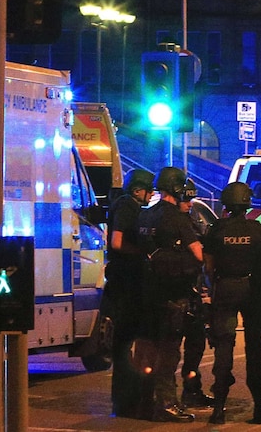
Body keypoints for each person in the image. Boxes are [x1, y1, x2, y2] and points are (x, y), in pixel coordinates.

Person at [205, 182, 261, 425]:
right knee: (254, 346)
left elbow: (208, 265)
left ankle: (218, 408)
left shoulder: (217, 229)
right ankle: (259, 407)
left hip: (225, 288)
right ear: (247, 202)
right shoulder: (257, 230)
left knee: (223, 346)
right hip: (253, 289)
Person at [134, 167, 202, 423]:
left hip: (147, 293)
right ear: (176, 188)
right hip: (173, 295)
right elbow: (197, 253)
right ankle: (166, 404)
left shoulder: (146, 215)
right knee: (169, 352)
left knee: (147, 350)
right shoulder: (177, 218)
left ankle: (143, 403)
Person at [102, 168, 154, 418]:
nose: (151, 194)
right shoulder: (126, 206)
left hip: (125, 283)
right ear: (137, 190)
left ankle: (127, 400)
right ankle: (124, 402)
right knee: (125, 345)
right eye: (148, 189)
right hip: (125, 284)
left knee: (126, 345)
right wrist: (142, 253)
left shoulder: (129, 205)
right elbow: (117, 241)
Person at [176, 178, 215, 408]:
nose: (190, 203)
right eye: (186, 199)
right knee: (174, 347)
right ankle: (174, 394)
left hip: (190, 290)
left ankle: (191, 389)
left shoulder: (188, 219)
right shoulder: (175, 221)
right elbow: (200, 254)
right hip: (179, 291)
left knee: (195, 343)